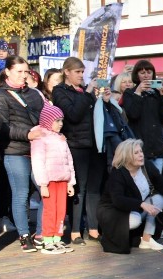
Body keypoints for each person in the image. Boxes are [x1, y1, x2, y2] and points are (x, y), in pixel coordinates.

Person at [0, 55, 45, 252]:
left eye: (26, 72)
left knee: (44, 191)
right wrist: (28, 134)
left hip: (38, 151)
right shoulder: (1, 95)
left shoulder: (34, 94)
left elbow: (46, 117)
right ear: (7, 72)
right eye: (19, 72)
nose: (24, 76)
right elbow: (2, 127)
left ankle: (41, 233)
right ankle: (24, 235)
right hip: (15, 151)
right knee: (21, 194)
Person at [97, 139, 163, 253]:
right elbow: (118, 200)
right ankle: (117, 235)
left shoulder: (146, 166)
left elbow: (161, 182)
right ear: (127, 156)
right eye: (136, 153)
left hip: (136, 207)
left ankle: (146, 239)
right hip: (113, 211)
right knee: (135, 220)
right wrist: (141, 204)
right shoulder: (118, 173)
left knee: (159, 199)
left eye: (141, 151)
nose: (141, 155)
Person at [52, 57, 104, 245]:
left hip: (94, 145)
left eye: (83, 72)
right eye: (78, 72)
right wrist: (87, 93)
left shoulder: (85, 92)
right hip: (76, 145)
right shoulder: (60, 92)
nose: (81, 76)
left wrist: (100, 98)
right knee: (78, 190)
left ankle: (93, 228)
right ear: (67, 72)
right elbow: (72, 115)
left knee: (93, 189)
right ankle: (75, 230)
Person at [30, 105, 76, 255]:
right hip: (49, 181)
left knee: (61, 210)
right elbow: (38, 161)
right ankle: (47, 240)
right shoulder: (40, 137)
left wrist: (70, 182)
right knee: (49, 210)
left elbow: (69, 160)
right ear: (48, 120)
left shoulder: (61, 138)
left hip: (62, 180)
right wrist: (42, 183)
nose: (60, 123)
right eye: (57, 120)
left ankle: (57, 238)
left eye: (62, 120)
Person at [121, 60, 163, 175]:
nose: (146, 75)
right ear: (136, 75)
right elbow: (133, 114)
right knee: (141, 179)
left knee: (157, 179)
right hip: (140, 145)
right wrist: (138, 92)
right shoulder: (130, 93)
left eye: (149, 72)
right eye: (142, 72)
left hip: (157, 145)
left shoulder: (157, 93)